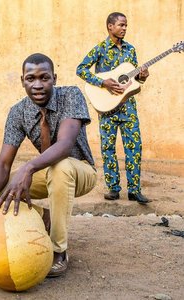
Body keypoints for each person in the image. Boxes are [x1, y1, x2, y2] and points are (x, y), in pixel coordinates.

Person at [0, 53, 97, 277]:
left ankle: (59, 250)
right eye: (30, 79)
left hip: (80, 170)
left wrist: (27, 168)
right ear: (22, 80)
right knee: (0, 191)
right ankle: (44, 218)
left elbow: (65, 145)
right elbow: (4, 163)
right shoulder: (18, 112)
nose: (37, 85)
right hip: (47, 171)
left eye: (44, 78)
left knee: (61, 167)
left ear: (54, 78)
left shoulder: (71, 95)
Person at [76, 12, 150, 204]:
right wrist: (103, 83)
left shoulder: (130, 50)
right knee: (108, 148)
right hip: (107, 108)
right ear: (110, 26)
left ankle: (134, 190)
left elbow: (132, 79)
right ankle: (114, 189)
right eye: (121, 25)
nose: (124, 28)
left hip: (128, 108)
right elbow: (81, 69)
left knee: (134, 149)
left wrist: (142, 76)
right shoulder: (100, 49)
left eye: (126, 25)